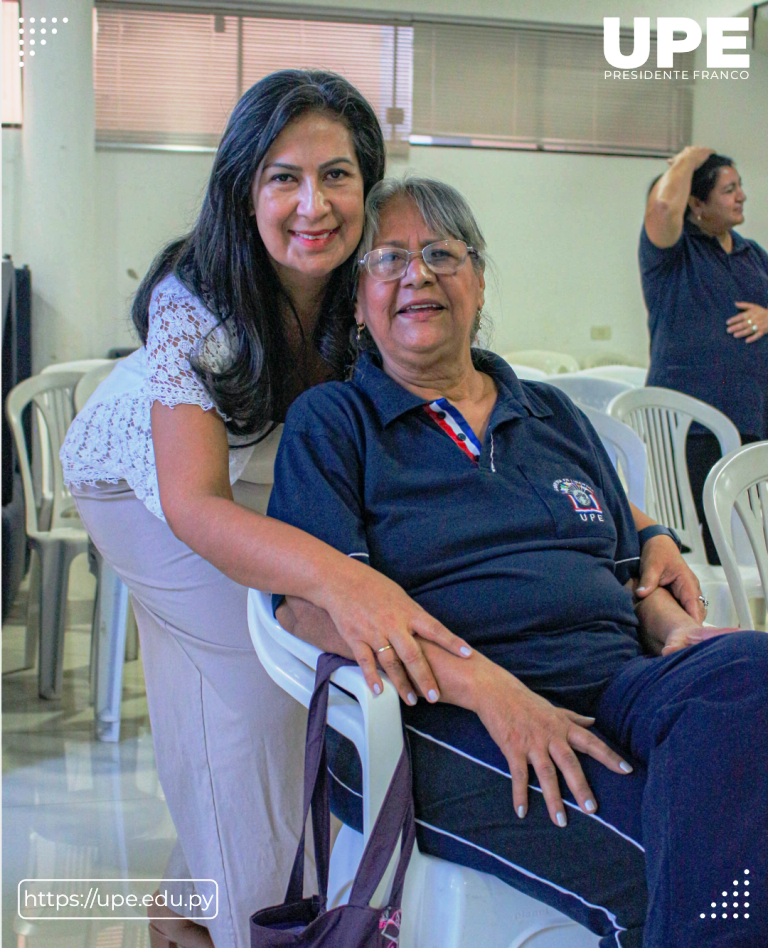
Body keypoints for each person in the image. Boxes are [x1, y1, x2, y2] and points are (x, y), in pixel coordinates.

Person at [268, 176, 768, 948]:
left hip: (620, 682)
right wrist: (496, 692)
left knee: (750, 668)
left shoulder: (549, 412)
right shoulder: (337, 423)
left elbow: (628, 565)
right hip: (447, 715)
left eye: (442, 253)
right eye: (390, 258)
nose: (419, 274)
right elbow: (309, 604)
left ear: (479, 278)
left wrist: (673, 631)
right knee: (692, 864)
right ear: (359, 297)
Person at [60, 72, 475, 948]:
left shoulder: (372, 280)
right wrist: (342, 585)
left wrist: (640, 525)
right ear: (245, 187)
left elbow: (471, 390)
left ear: (369, 184)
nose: (311, 205)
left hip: (254, 476)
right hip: (142, 486)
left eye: (336, 175)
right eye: (283, 177)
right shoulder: (195, 295)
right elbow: (196, 505)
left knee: (237, 690)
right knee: (262, 688)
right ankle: (256, 923)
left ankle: (189, 906)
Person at [641, 146, 768, 562]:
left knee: (757, 550)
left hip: (754, 423)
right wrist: (690, 159)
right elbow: (661, 205)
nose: (742, 196)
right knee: (720, 553)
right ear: (696, 204)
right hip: (693, 431)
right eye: (729, 189)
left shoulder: (754, 255)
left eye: (740, 187)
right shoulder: (672, 254)